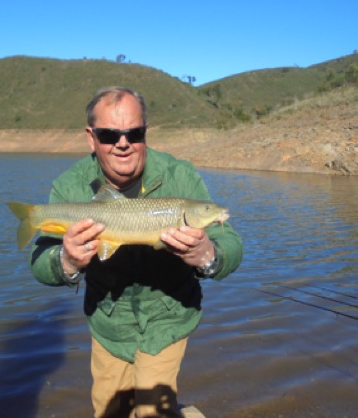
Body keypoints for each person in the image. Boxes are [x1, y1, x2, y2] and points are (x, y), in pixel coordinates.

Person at [31, 86, 243, 417]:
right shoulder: (69, 186)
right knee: (109, 410)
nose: (123, 143)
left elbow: (230, 243)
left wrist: (208, 255)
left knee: (152, 411)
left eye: (134, 132)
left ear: (145, 132)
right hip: (108, 320)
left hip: (168, 315)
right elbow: (41, 262)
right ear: (91, 138)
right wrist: (67, 260)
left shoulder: (179, 176)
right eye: (108, 134)